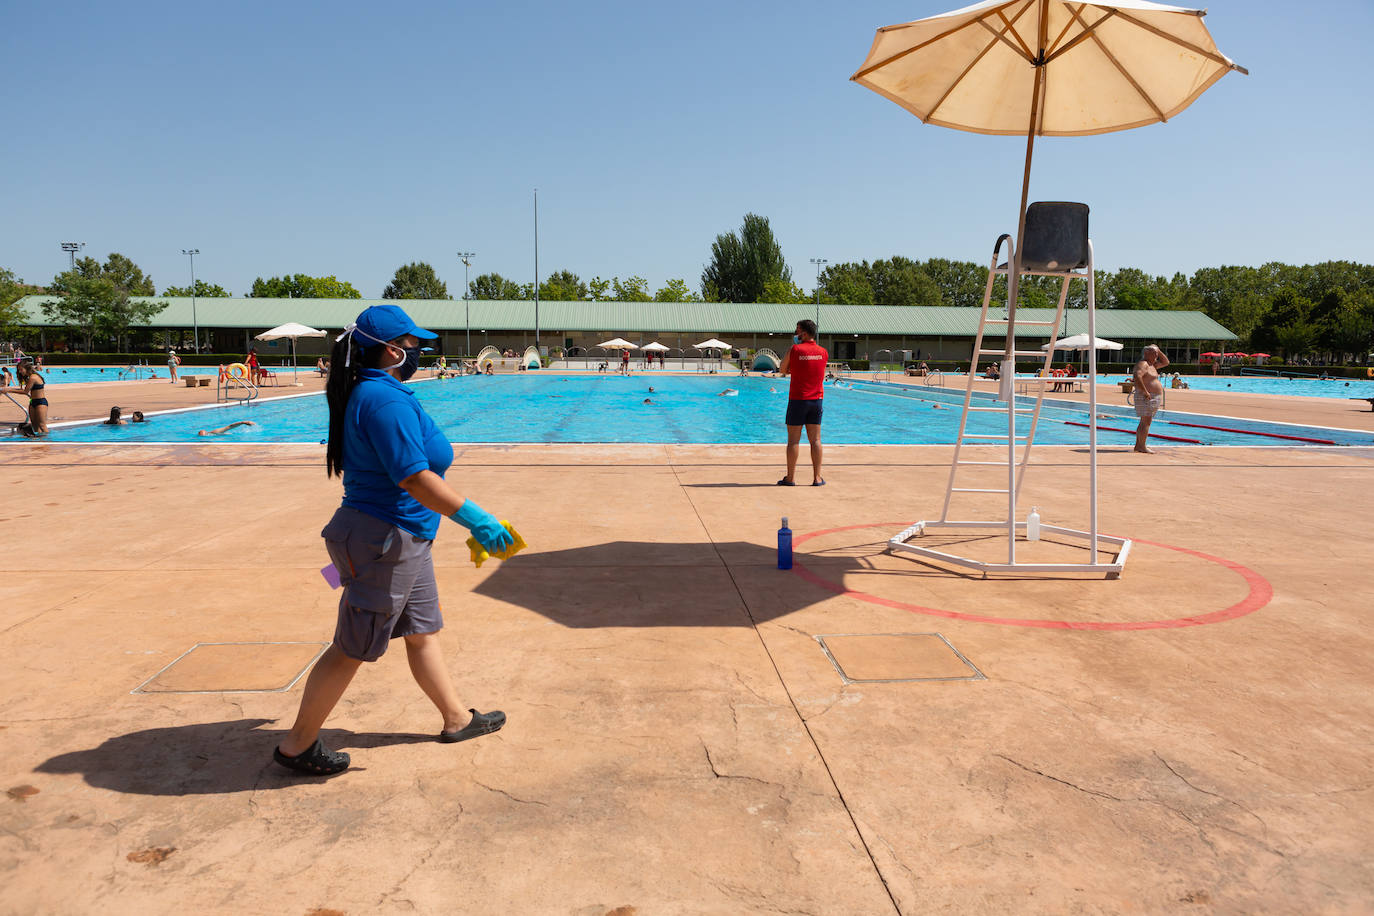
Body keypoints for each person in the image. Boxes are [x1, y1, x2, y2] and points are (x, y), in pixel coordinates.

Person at [273, 304, 513, 776]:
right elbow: (414, 478)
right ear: (391, 350)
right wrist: (477, 519)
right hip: (385, 541)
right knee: (352, 647)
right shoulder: (384, 401)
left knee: (422, 632)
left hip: (401, 540)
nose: (419, 350)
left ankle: (456, 718)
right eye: (412, 343)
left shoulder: (376, 391)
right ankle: (297, 746)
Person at [777, 319, 827, 486]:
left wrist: (793, 368)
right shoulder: (823, 352)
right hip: (816, 401)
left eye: (797, 331)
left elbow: (782, 369)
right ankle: (817, 478)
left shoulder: (795, 349)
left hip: (798, 400)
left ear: (804, 333)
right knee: (816, 440)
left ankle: (790, 478)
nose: (795, 334)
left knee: (793, 441)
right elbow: (814, 369)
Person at [1131, 344, 1171, 454]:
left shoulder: (1152, 365)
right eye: (1155, 353)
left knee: (1145, 421)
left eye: (1157, 354)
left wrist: (1158, 349)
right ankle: (1142, 446)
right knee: (1146, 421)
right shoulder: (1143, 364)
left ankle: (1139, 445)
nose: (1157, 355)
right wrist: (1144, 391)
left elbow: (1166, 362)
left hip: (1151, 396)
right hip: (1147, 396)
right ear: (1146, 353)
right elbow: (1137, 376)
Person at [2, 363, 48, 437]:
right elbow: (24, 390)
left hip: (41, 402)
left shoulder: (33, 377)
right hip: (32, 402)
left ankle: (48, 440)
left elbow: (25, 391)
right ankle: (39, 440)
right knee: (35, 425)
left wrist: (9, 390)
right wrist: (8, 389)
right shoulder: (29, 377)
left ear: (27, 368)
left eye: (21, 370)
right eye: (19, 370)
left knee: (42, 425)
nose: (20, 372)